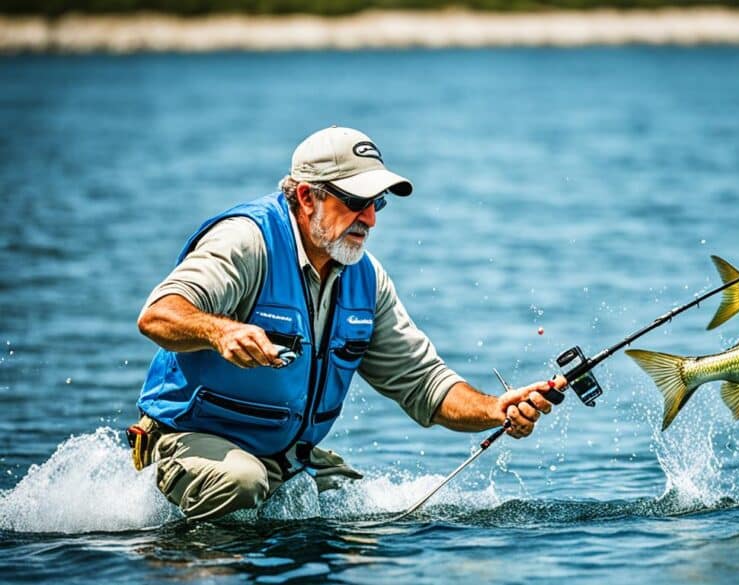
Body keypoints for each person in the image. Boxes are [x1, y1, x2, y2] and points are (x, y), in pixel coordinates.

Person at [131, 126, 565, 522]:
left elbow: (425, 385)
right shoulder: (246, 241)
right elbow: (158, 315)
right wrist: (220, 331)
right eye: (356, 202)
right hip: (187, 440)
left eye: (377, 204)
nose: (371, 219)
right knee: (241, 482)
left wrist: (496, 408)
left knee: (360, 517)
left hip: (285, 456)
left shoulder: (365, 277)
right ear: (306, 197)